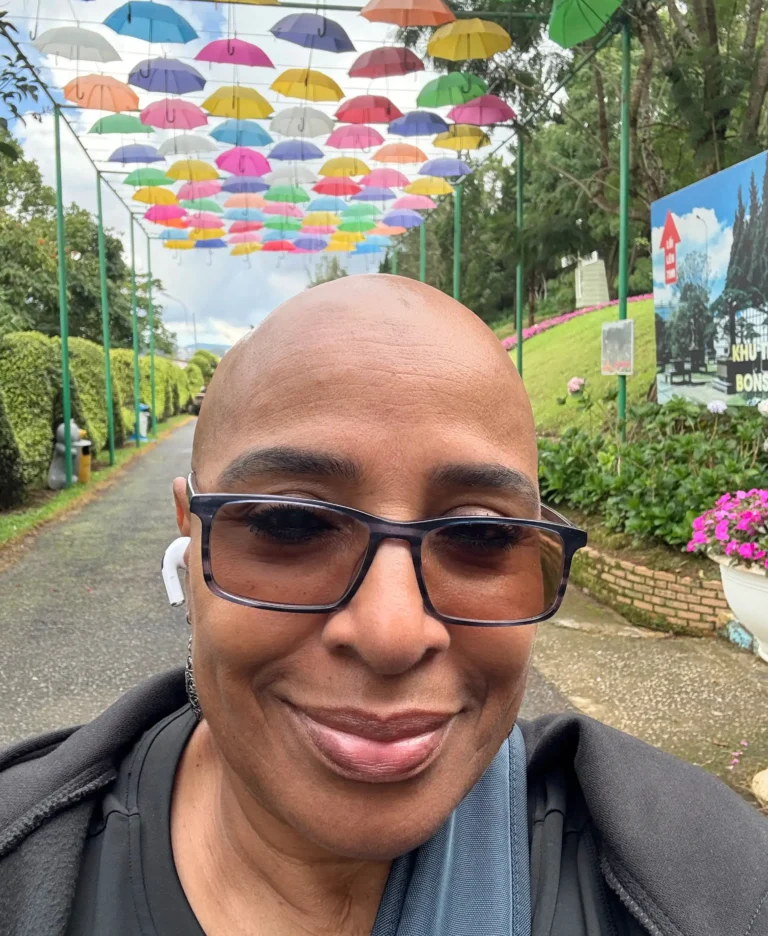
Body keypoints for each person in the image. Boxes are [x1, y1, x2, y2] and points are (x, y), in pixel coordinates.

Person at [1, 276, 766, 936]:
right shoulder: (25, 859)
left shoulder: (699, 880)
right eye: (291, 523)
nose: (392, 633)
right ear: (190, 538)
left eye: (479, 534)